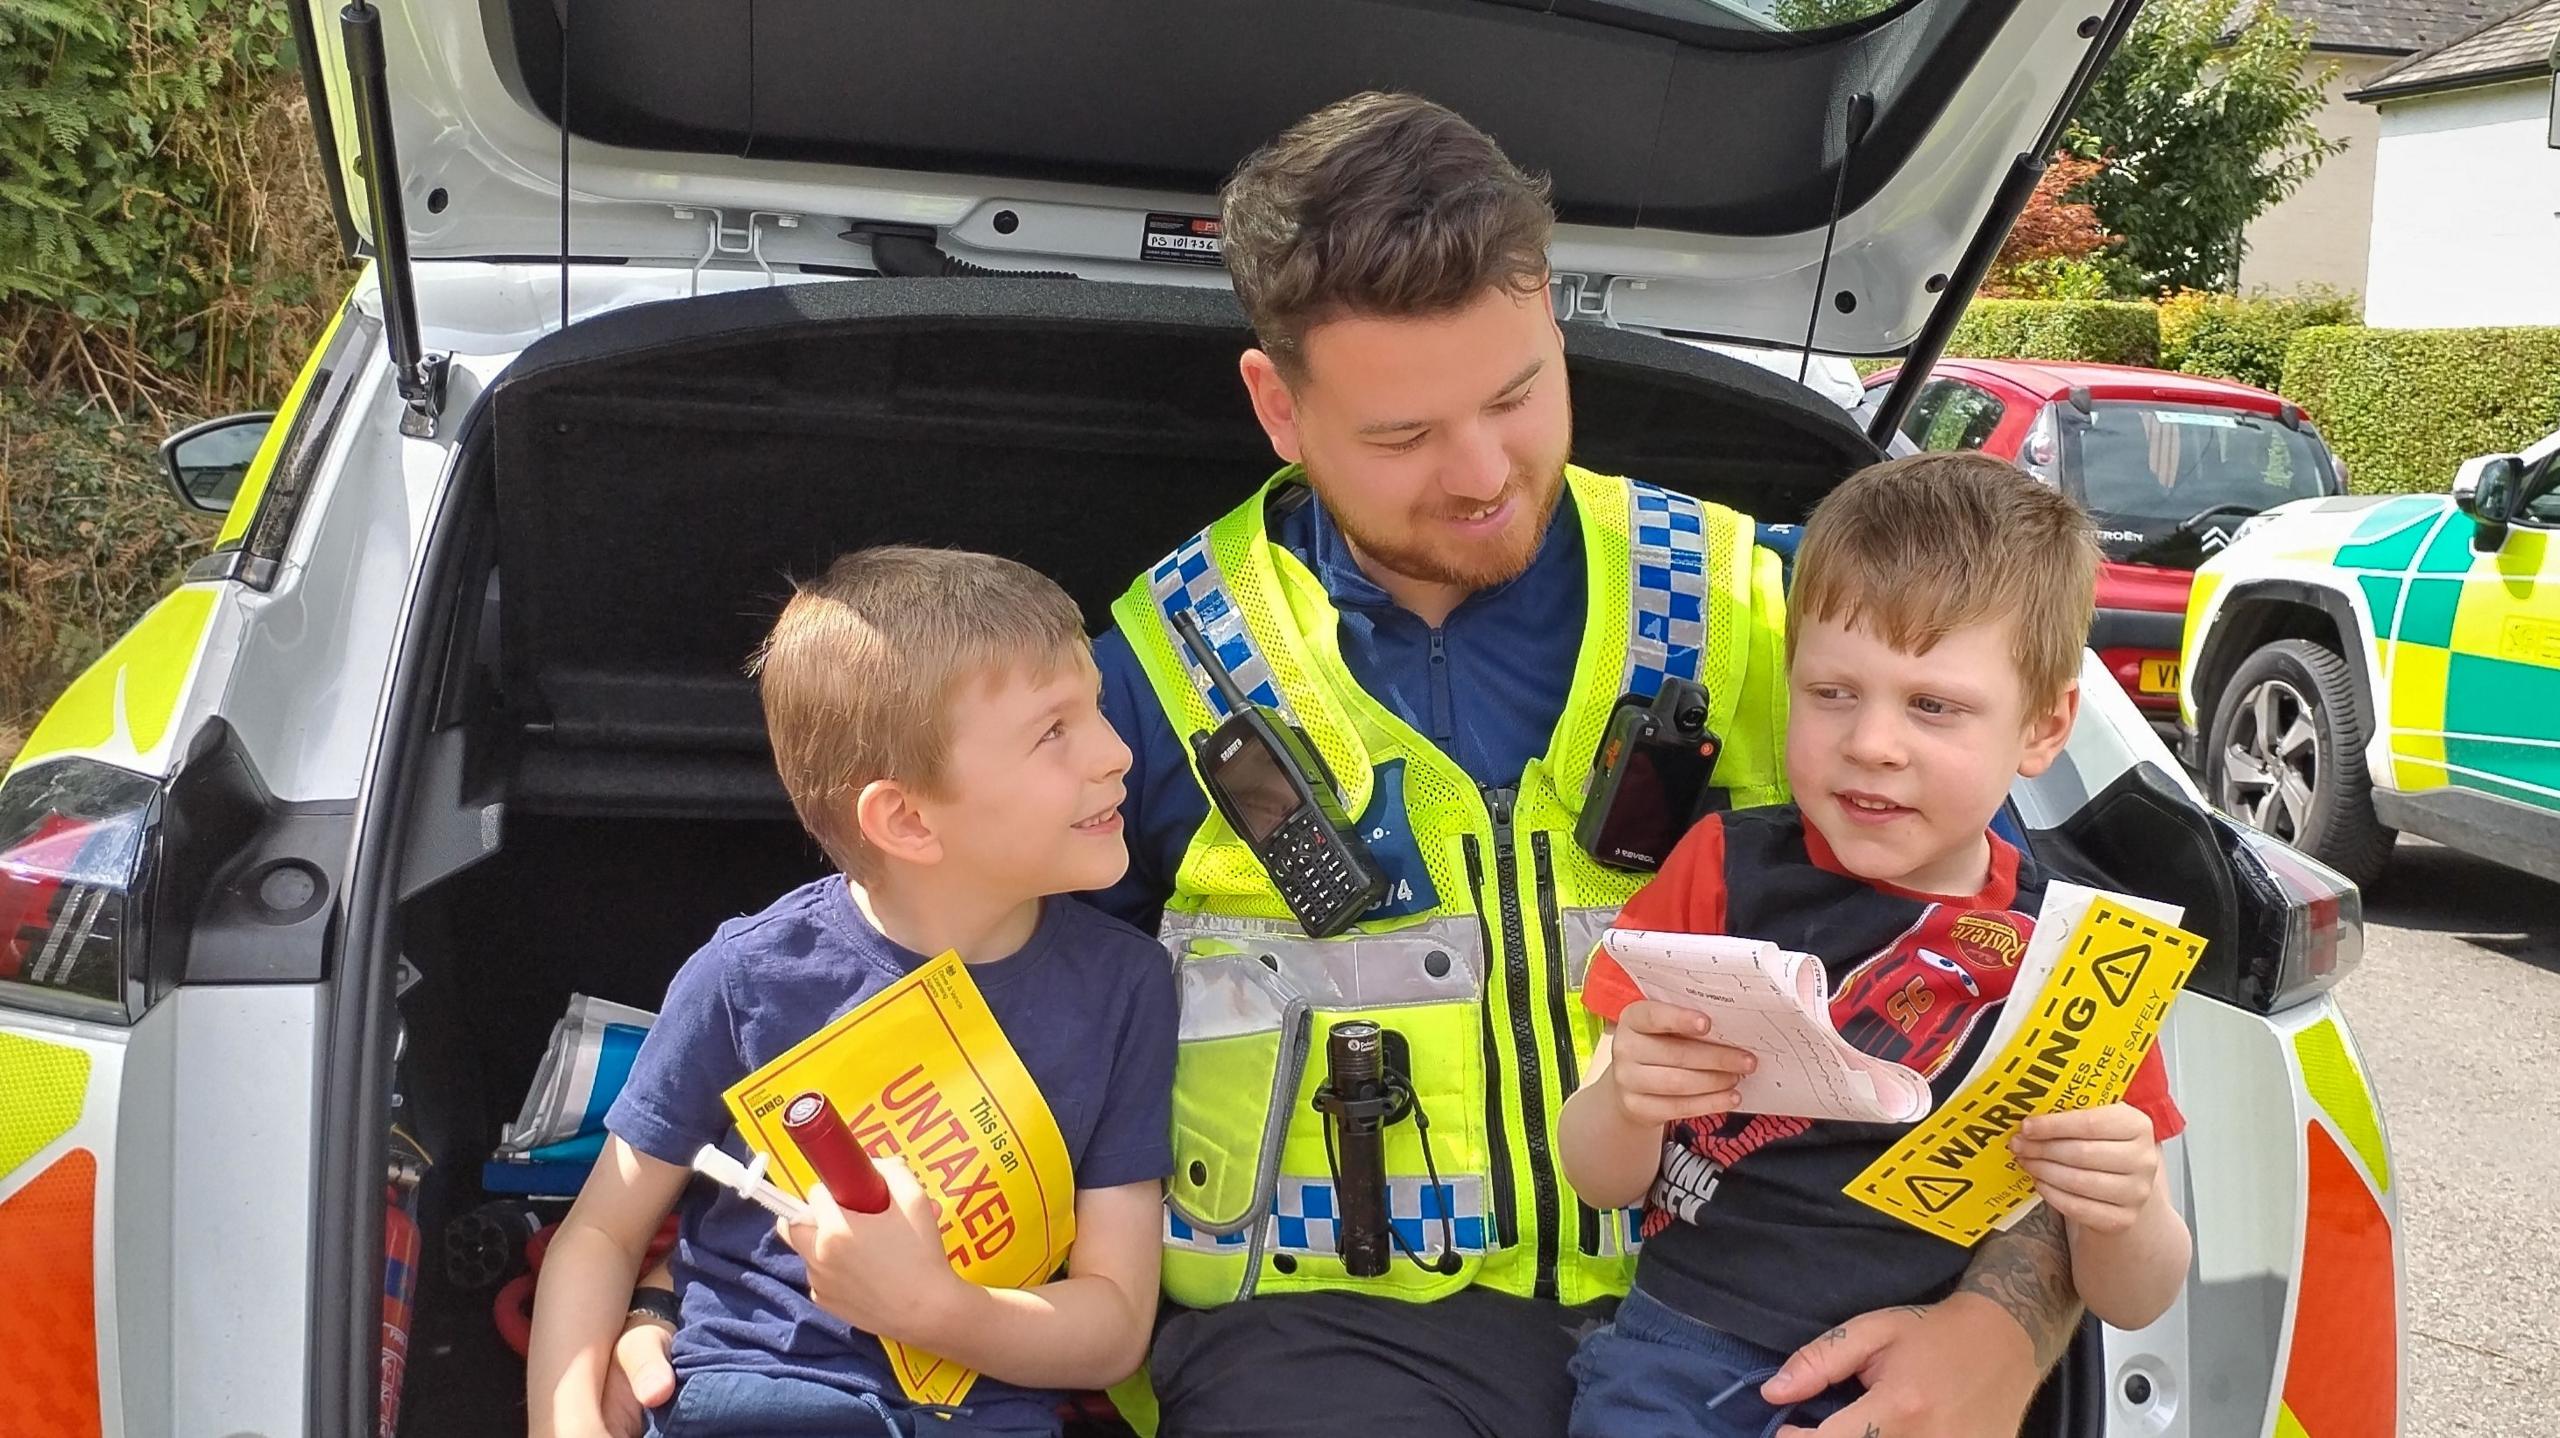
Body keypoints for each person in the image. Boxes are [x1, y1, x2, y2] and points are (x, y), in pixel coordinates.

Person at [614, 94, 2110, 1438]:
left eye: (1519, 394)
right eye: (1404, 431)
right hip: (1318, 1340)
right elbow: (921, 987)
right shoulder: (1142, 674)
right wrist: (724, 1299)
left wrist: (2011, 1317)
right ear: (1279, 404)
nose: (1479, 471)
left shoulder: (1779, 613)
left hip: (1727, 1303)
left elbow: (2055, 1002)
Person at [1557, 454, 2193, 1437]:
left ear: (2043, 723)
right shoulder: (1718, 866)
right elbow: (1600, 1173)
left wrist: (2126, 1205)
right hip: (1675, 1359)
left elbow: (2135, 1293)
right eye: (1833, 692)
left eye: (1931, 705)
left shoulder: (2084, 957)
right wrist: (1627, 1099)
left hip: (1921, 1392)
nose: (1872, 742)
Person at [529, 548, 1177, 1437]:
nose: (1116, 752)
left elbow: (1114, 1327)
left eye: (1095, 707)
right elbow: (600, 1233)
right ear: (907, 819)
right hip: (749, 1399)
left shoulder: (1128, 988)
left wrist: (936, 1308)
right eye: (1052, 731)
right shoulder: (746, 976)